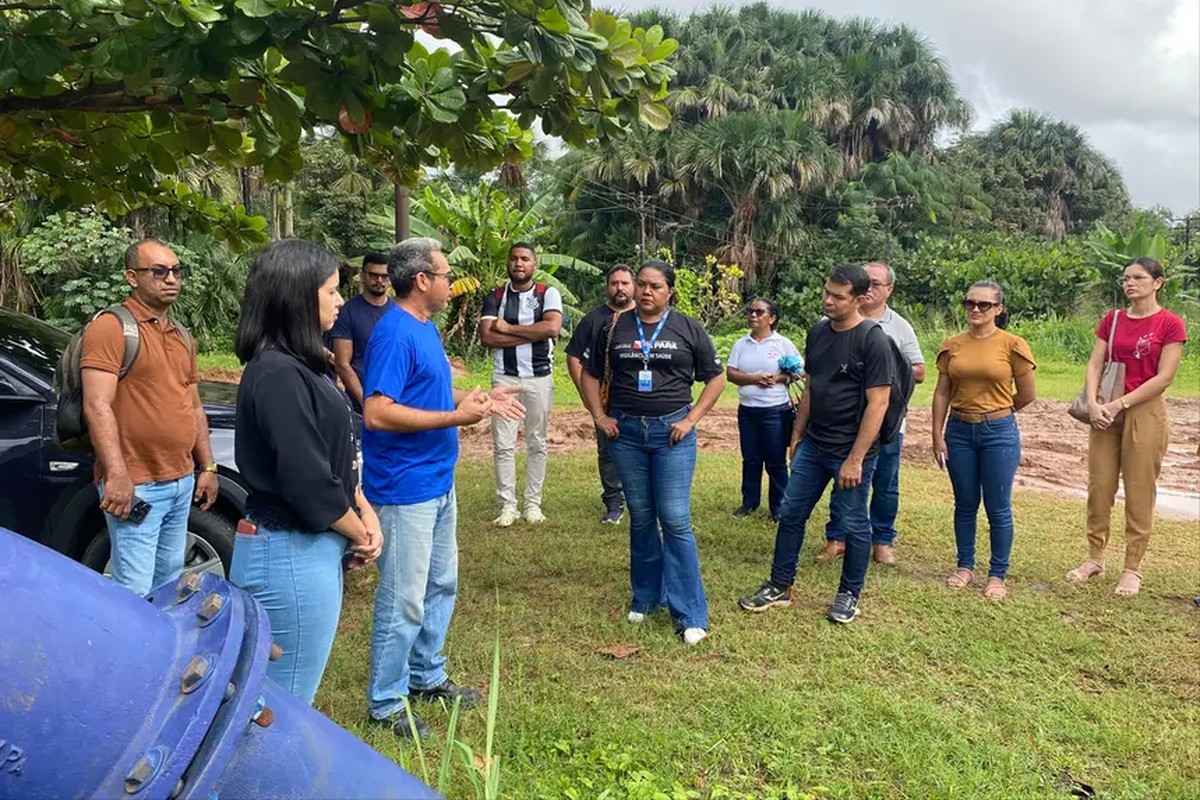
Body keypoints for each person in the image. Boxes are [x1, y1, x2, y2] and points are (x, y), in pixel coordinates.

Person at [363, 237, 524, 740]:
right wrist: (457, 417)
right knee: (403, 599)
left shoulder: (424, 326)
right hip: (404, 487)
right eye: (446, 275)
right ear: (421, 281)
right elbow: (378, 411)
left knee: (439, 585)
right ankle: (386, 701)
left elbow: (426, 393)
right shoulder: (395, 334)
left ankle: (426, 675)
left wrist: (475, 399)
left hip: (437, 480)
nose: (452, 284)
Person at [230, 239, 384, 706]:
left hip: (309, 548)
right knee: (283, 704)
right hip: (288, 551)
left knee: (289, 695)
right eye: (332, 290)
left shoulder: (308, 365)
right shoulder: (277, 373)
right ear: (298, 296)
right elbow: (306, 477)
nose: (341, 300)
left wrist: (363, 509)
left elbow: (336, 454)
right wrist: (361, 533)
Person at [738, 264, 893, 625]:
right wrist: (797, 434)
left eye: (838, 296)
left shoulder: (873, 340)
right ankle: (780, 585)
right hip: (814, 444)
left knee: (853, 523)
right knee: (791, 513)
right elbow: (810, 386)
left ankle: (849, 594)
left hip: (850, 451)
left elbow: (879, 403)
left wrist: (856, 458)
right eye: (826, 292)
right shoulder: (819, 332)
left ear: (859, 299)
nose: (828, 300)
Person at [580, 260, 725, 645]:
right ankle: (646, 596)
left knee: (675, 519)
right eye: (641, 284)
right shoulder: (614, 328)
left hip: (671, 434)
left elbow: (716, 378)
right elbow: (589, 373)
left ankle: (690, 612)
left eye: (655, 286)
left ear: (669, 291)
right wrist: (599, 416)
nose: (645, 291)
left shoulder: (688, 327)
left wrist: (690, 420)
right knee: (642, 517)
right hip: (626, 433)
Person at [80, 238, 219, 596]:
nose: (171, 279)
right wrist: (117, 474)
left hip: (180, 480)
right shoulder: (111, 328)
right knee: (135, 590)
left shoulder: (181, 335)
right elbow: (96, 405)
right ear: (132, 277)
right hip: (137, 484)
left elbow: (193, 406)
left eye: (176, 271)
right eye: (158, 271)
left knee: (169, 582)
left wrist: (207, 467)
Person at [1067, 258, 1186, 597]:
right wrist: (1093, 403)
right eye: (1126, 279)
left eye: (1138, 278)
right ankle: (1094, 557)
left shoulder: (1170, 323)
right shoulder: (1113, 319)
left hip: (1143, 410)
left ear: (1158, 283)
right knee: (1100, 486)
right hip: (1106, 408)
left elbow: (1164, 377)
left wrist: (1120, 404)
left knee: (1139, 488)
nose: (1130, 284)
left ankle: (1132, 567)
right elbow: (1095, 363)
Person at [931, 281, 1036, 601]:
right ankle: (964, 566)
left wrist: (998, 412)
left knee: (997, 506)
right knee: (964, 503)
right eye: (970, 303)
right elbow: (942, 392)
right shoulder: (953, 345)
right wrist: (937, 436)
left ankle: (997, 574)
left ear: (999, 309)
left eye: (984, 304)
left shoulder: (1012, 344)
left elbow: (1027, 394)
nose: (975, 309)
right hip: (959, 431)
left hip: (998, 433)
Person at [819, 262, 925, 565]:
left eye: (876, 284)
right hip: (842, 424)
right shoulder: (831, 322)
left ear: (889, 289)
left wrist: (882, 370)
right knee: (842, 480)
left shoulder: (899, 326)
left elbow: (919, 370)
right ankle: (837, 537)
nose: (869, 288)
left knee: (885, 483)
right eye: (866, 282)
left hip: (886, 423)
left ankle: (882, 539)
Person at [478, 242, 563, 526]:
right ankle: (508, 506)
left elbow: (552, 328)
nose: (519, 263)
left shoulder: (547, 293)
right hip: (505, 377)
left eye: (525, 258)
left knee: (537, 442)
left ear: (534, 264)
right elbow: (488, 337)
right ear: (508, 262)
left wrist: (509, 329)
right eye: (514, 258)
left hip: (539, 377)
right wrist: (532, 334)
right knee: (503, 443)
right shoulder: (496, 296)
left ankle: (532, 504)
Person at [566, 264, 635, 524]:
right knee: (608, 452)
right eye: (615, 283)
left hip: (639, 399)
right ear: (607, 287)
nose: (620, 288)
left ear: (634, 287)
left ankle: (641, 500)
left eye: (625, 283)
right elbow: (574, 357)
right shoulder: (594, 319)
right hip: (605, 400)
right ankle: (614, 502)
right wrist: (588, 396)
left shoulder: (644, 317)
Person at [725, 298, 800, 522]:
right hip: (747, 410)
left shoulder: (783, 344)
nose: (753, 315)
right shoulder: (741, 344)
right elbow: (731, 374)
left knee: (775, 461)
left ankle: (779, 507)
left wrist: (778, 378)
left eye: (759, 312)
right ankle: (749, 502)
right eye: (750, 311)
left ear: (772, 318)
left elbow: (799, 372)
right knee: (750, 459)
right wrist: (754, 379)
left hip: (774, 411)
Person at [331, 253, 394, 411]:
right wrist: (365, 402)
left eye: (384, 276)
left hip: (396, 401)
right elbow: (342, 364)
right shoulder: (347, 312)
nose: (379, 281)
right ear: (363, 276)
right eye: (373, 275)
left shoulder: (399, 312)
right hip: (360, 405)